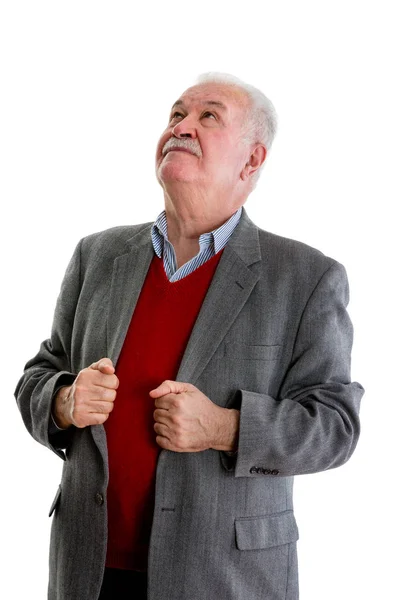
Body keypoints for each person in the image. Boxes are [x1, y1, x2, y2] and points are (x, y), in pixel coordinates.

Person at [14, 72, 364, 600]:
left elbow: (336, 426)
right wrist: (64, 400)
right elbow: (35, 379)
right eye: (176, 114)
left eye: (208, 117)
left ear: (251, 162)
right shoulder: (97, 255)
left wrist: (224, 426)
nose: (183, 127)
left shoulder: (307, 277)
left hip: (224, 578)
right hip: (88, 570)